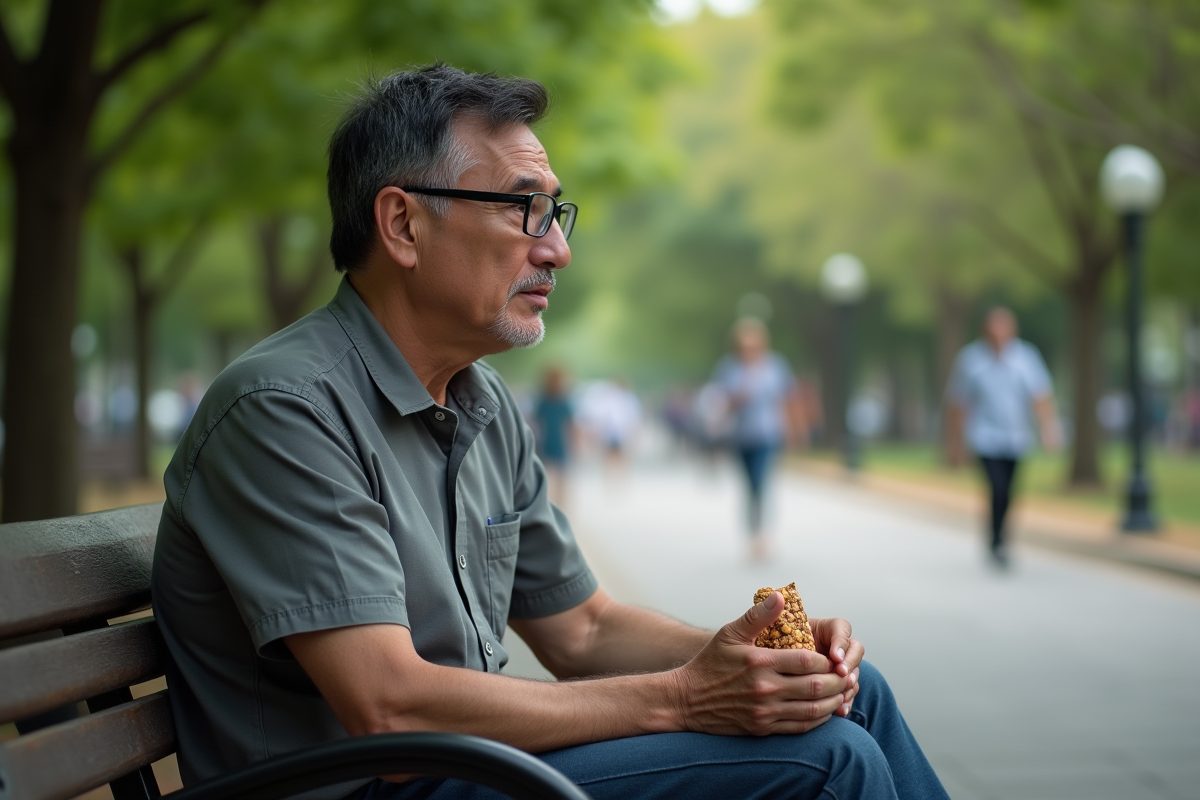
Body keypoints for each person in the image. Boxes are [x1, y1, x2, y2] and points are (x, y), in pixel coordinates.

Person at [151, 64, 948, 800]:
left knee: (849, 693)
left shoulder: (482, 404)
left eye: (555, 211)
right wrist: (683, 697)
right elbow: (388, 714)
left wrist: (752, 658)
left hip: (463, 768)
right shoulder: (284, 409)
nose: (558, 249)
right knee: (826, 762)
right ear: (402, 225)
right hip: (377, 784)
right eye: (524, 208)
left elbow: (584, 628)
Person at [946, 307, 1061, 567]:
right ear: (985, 331)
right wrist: (955, 443)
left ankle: (1002, 538)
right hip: (984, 436)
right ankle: (996, 540)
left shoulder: (1026, 357)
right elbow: (959, 403)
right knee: (996, 488)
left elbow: (1040, 395)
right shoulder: (971, 360)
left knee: (1009, 492)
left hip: (1017, 437)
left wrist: (1048, 428)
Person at [713, 317, 798, 560]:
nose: (750, 348)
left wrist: (794, 429)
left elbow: (787, 399)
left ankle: (763, 536)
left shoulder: (775, 366)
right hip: (741, 435)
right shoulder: (729, 368)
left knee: (761, 483)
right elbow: (721, 403)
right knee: (749, 487)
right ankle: (752, 533)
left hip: (768, 434)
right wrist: (737, 399)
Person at [532, 365, 574, 508]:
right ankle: (548, 505)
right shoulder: (543, 401)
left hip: (560, 443)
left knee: (562, 477)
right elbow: (536, 423)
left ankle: (561, 505)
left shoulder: (564, 402)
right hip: (545, 443)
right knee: (545, 477)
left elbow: (570, 424)